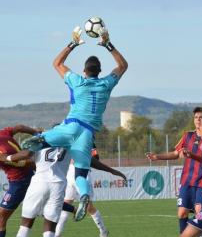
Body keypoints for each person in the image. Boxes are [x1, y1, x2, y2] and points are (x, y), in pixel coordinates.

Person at [27, 25, 127, 223]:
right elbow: (123, 66)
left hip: (70, 127)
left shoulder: (77, 81)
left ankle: (39, 140)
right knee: (81, 172)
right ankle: (84, 195)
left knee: (41, 140)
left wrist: (72, 43)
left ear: (84, 70)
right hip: (87, 134)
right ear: (100, 71)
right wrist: (108, 44)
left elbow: (56, 63)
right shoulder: (106, 83)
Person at [0, 145, 71, 237]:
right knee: (50, 227)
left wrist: (7, 157)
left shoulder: (42, 142)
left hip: (40, 183)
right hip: (58, 185)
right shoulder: (69, 146)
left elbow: (25, 155)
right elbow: (89, 160)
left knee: (26, 223)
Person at [146, 107, 202, 237]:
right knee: (181, 214)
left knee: (201, 214)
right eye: (196, 117)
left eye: (201, 117)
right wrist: (157, 157)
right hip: (187, 181)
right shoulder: (188, 136)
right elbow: (175, 154)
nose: (198, 119)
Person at [54, 147, 127, 237]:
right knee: (66, 204)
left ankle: (103, 231)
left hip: (82, 173)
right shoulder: (67, 138)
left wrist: (86, 156)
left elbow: (95, 158)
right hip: (69, 173)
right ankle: (57, 235)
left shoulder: (87, 139)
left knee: (89, 207)